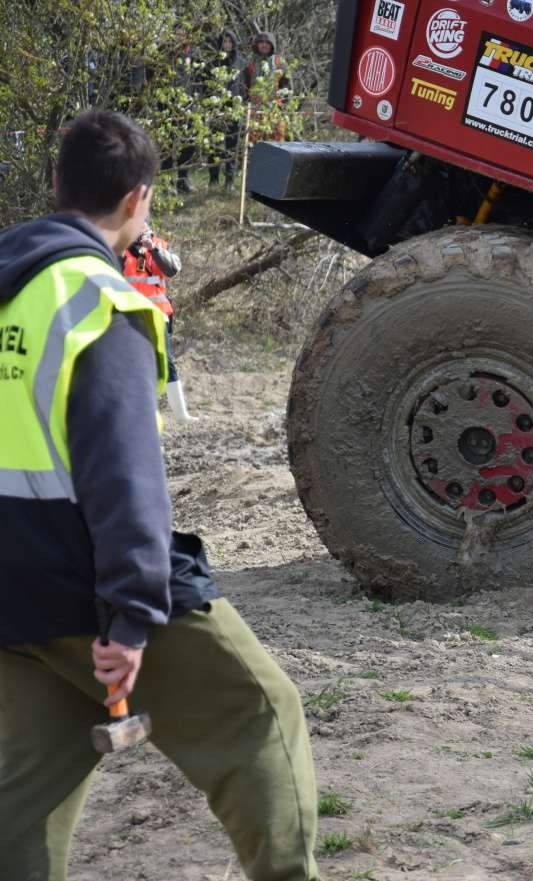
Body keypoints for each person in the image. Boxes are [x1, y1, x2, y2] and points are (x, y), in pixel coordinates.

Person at [0, 110, 319, 881]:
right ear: (139, 197)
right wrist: (133, 612)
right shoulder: (97, 302)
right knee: (263, 712)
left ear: (57, 183)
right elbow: (124, 476)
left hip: (15, 597)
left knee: (24, 798)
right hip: (82, 581)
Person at [122, 223, 197, 421]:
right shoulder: (120, 246)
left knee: (166, 361)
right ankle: (137, 411)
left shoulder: (159, 244)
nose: (138, 228)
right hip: (129, 314)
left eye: (142, 224)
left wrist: (153, 249)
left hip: (158, 313)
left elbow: (172, 269)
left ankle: (181, 415)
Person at [209, 29, 245, 189]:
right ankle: (213, 179)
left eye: (230, 41)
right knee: (215, 145)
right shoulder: (213, 63)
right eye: (224, 41)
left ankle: (229, 181)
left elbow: (245, 87)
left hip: (235, 110)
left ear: (234, 43)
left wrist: (242, 104)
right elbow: (206, 87)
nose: (227, 44)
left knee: (232, 145)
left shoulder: (241, 63)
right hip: (217, 109)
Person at [242, 32, 292, 142]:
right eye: (261, 42)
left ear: (272, 45)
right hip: (255, 111)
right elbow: (244, 87)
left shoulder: (279, 62)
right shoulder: (250, 63)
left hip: (275, 111)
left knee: (277, 145)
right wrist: (247, 106)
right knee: (254, 145)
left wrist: (282, 106)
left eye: (267, 43)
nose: (264, 45)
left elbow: (287, 88)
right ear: (257, 44)